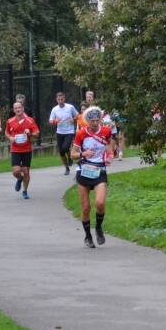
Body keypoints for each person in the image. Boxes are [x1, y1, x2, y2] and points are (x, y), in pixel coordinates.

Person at [71, 106, 113, 248]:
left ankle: (99, 228)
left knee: (100, 203)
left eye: (97, 120)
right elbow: (73, 154)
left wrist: (109, 156)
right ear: (87, 121)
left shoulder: (106, 131)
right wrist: (83, 154)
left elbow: (109, 146)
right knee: (85, 207)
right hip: (84, 170)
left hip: (99, 170)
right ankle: (88, 236)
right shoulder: (81, 133)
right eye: (92, 121)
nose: (95, 123)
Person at [5, 102, 40, 199]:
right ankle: (19, 179)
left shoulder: (30, 120)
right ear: (13, 110)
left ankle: (25, 191)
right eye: (15, 108)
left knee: (26, 172)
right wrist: (10, 138)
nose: (17, 110)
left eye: (19, 108)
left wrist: (30, 133)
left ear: (23, 108)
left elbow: (37, 133)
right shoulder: (10, 121)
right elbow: (6, 133)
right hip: (15, 149)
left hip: (26, 149)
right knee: (16, 171)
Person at [49, 92, 79, 175]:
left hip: (69, 131)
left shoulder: (70, 107)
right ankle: (66, 168)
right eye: (59, 99)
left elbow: (77, 115)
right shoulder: (54, 109)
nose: (60, 101)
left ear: (64, 99)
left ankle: (69, 156)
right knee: (61, 151)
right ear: (56, 100)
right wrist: (55, 121)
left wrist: (73, 119)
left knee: (65, 147)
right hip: (60, 132)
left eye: (62, 99)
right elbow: (50, 121)